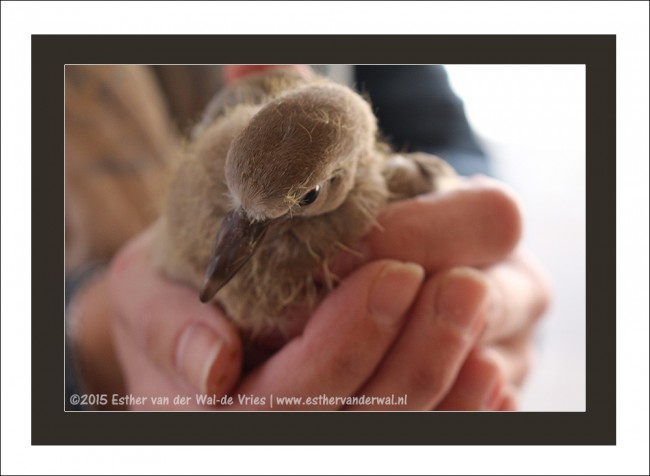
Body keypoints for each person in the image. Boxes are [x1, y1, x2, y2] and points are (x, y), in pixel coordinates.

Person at [65, 64, 550, 411]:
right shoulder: (232, 118)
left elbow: (436, 132)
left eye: (308, 195)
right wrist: (82, 350)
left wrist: (477, 255)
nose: (232, 243)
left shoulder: (387, 187)